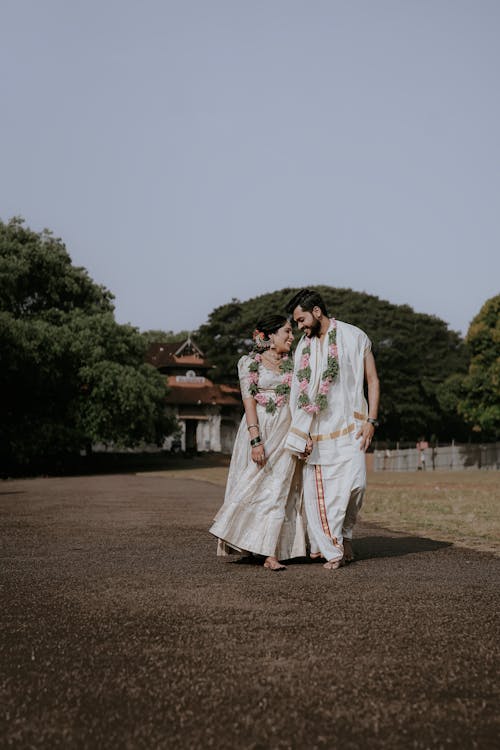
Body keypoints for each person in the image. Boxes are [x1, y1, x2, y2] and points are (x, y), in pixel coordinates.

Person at [285, 289, 380, 570]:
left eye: (301, 320)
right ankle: (333, 547)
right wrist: (302, 434)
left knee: (356, 486)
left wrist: (371, 420)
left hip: (352, 426)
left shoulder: (354, 336)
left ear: (316, 312)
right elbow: (296, 394)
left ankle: (344, 533)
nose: (299, 327)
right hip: (317, 433)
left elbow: (372, 380)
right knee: (320, 494)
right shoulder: (303, 347)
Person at [209, 314, 306, 570]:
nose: (291, 336)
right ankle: (250, 543)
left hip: (285, 432)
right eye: (286, 331)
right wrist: (255, 440)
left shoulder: (293, 365)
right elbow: (248, 400)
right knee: (253, 486)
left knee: (278, 490)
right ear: (270, 336)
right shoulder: (249, 363)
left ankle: (271, 551)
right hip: (259, 429)